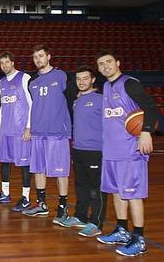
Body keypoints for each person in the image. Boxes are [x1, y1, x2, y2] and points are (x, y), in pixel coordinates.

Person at [95, 50, 157, 257]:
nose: (105, 66)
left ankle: (139, 239)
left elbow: (150, 106)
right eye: (101, 64)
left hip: (130, 151)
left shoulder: (130, 83)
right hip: (111, 151)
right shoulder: (105, 86)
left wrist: (146, 132)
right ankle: (122, 230)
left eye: (108, 62)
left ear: (118, 63)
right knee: (116, 191)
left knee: (133, 195)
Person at [23, 45, 72, 222]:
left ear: (49, 56)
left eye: (41, 56)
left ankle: (63, 207)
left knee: (60, 172)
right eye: (35, 57)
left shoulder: (61, 76)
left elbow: (73, 98)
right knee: (38, 169)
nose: (38, 60)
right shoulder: (33, 82)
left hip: (57, 133)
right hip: (38, 133)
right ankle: (41, 204)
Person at [60, 66, 107, 236]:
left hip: (95, 150)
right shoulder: (76, 100)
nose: (81, 82)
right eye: (79, 79)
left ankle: (97, 222)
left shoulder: (102, 99)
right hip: (78, 149)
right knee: (81, 185)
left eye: (85, 78)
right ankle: (81, 216)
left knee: (96, 188)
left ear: (93, 80)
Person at [0, 52, 32, 212]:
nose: (5, 65)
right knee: (4, 162)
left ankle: (26, 197)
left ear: (13, 62)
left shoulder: (24, 77)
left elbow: (31, 103)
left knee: (24, 164)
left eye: (7, 62)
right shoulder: (0, 83)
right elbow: (2, 107)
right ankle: (5, 193)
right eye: (2, 63)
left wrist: (29, 127)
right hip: (5, 130)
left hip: (21, 130)